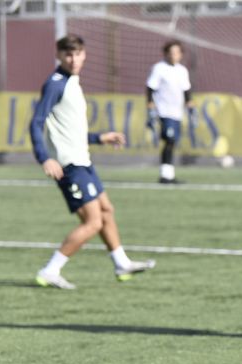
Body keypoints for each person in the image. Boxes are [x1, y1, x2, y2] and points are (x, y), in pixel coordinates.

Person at [30, 34, 156, 290]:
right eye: (68, 54)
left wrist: (100, 137)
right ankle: (51, 270)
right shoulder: (55, 84)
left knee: (107, 210)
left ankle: (121, 262)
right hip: (69, 165)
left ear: (85, 55)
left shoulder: (73, 81)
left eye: (77, 54)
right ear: (59, 55)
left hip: (83, 161)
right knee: (93, 222)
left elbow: (71, 130)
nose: (73, 59)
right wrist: (45, 158)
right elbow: (36, 122)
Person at [146, 40, 195, 184]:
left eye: (177, 53)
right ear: (166, 53)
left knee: (172, 142)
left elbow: (186, 90)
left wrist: (190, 104)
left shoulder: (182, 70)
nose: (174, 55)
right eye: (171, 52)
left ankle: (169, 175)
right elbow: (150, 87)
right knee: (170, 139)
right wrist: (150, 105)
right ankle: (165, 175)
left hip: (176, 112)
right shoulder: (159, 68)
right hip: (163, 111)